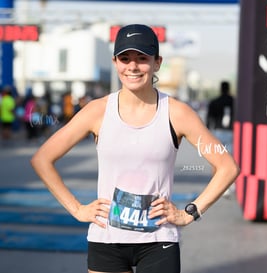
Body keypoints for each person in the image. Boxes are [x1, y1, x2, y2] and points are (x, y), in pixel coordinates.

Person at [31, 24, 240, 273]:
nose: (132, 66)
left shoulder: (177, 113)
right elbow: (42, 158)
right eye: (125, 58)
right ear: (115, 62)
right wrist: (76, 209)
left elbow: (227, 167)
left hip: (158, 241)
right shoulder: (97, 111)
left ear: (157, 62)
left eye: (142, 58)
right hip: (106, 240)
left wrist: (189, 213)